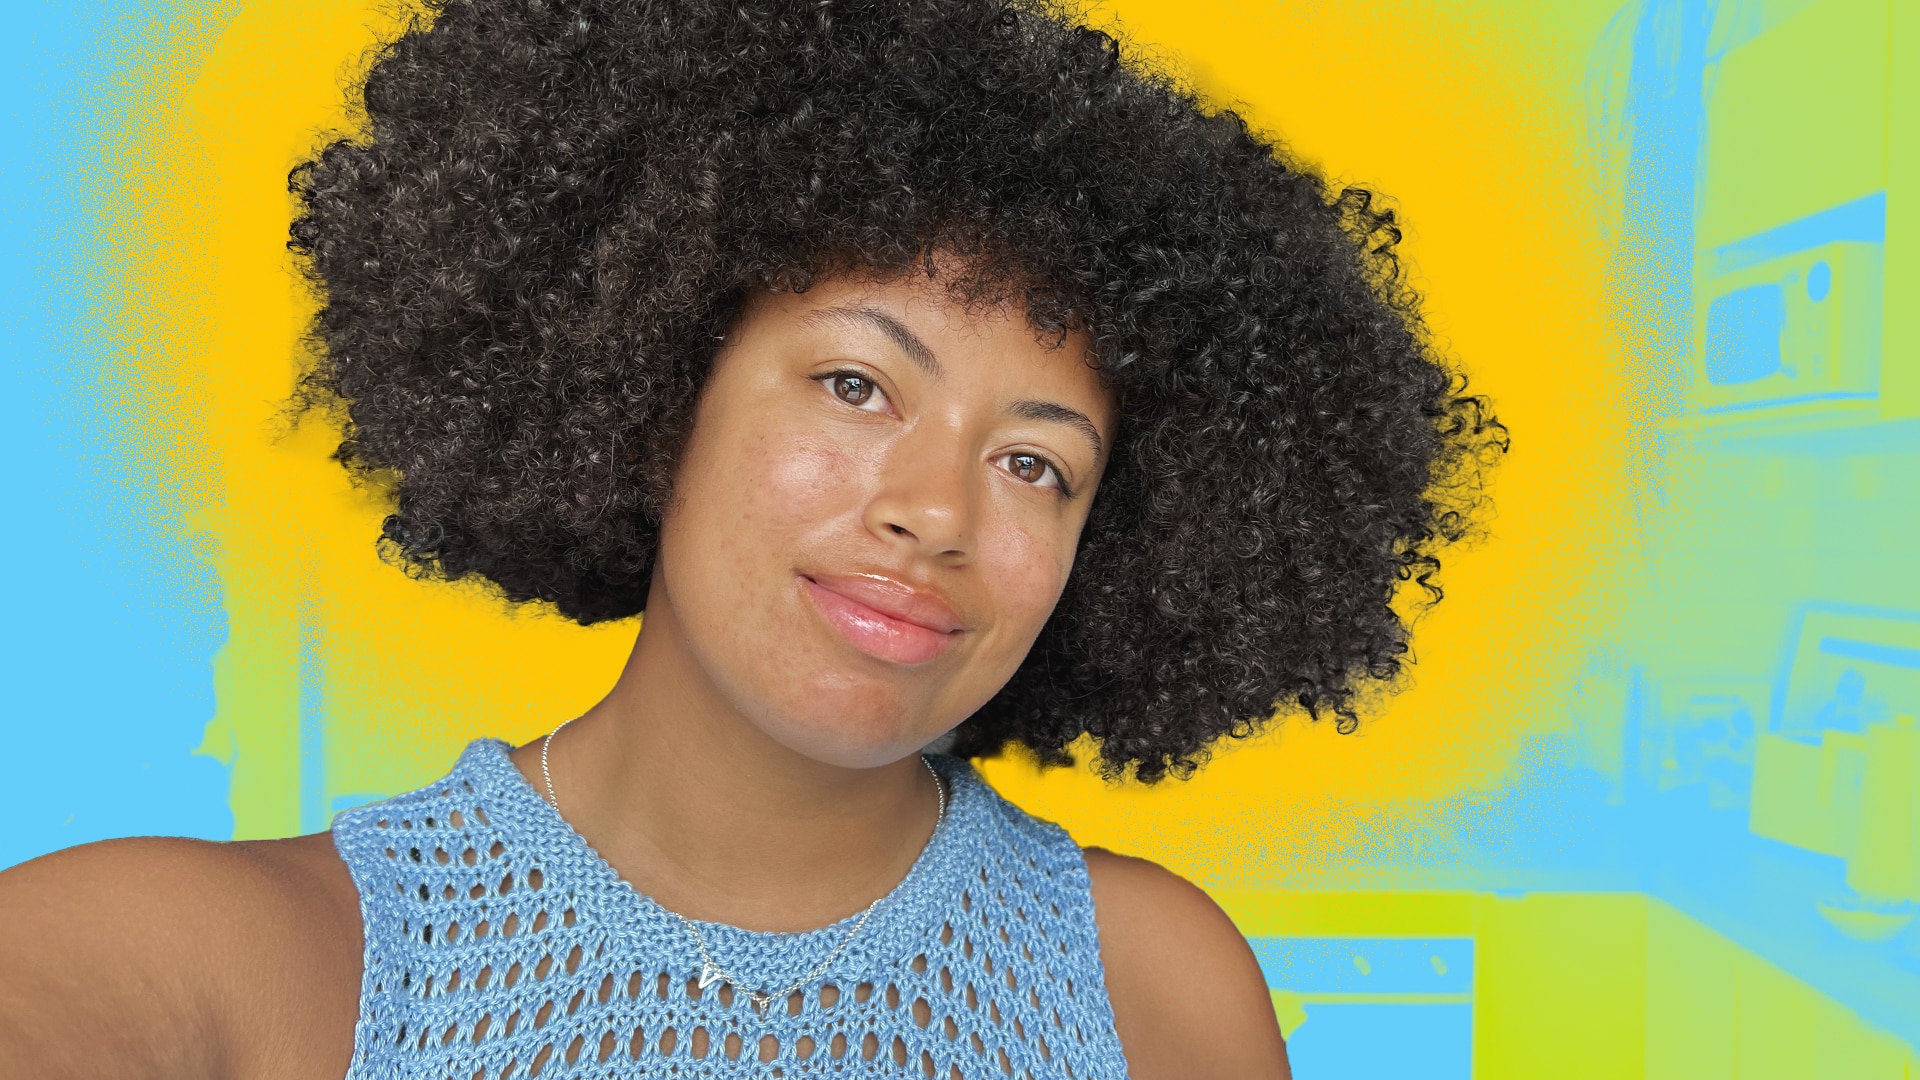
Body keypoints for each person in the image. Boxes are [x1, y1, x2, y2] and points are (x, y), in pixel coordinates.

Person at [0, 0, 1505, 1076]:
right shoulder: (209, 962)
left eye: (1039, 464)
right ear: (660, 387)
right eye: (857, 384)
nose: (939, 511)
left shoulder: (1156, 990)